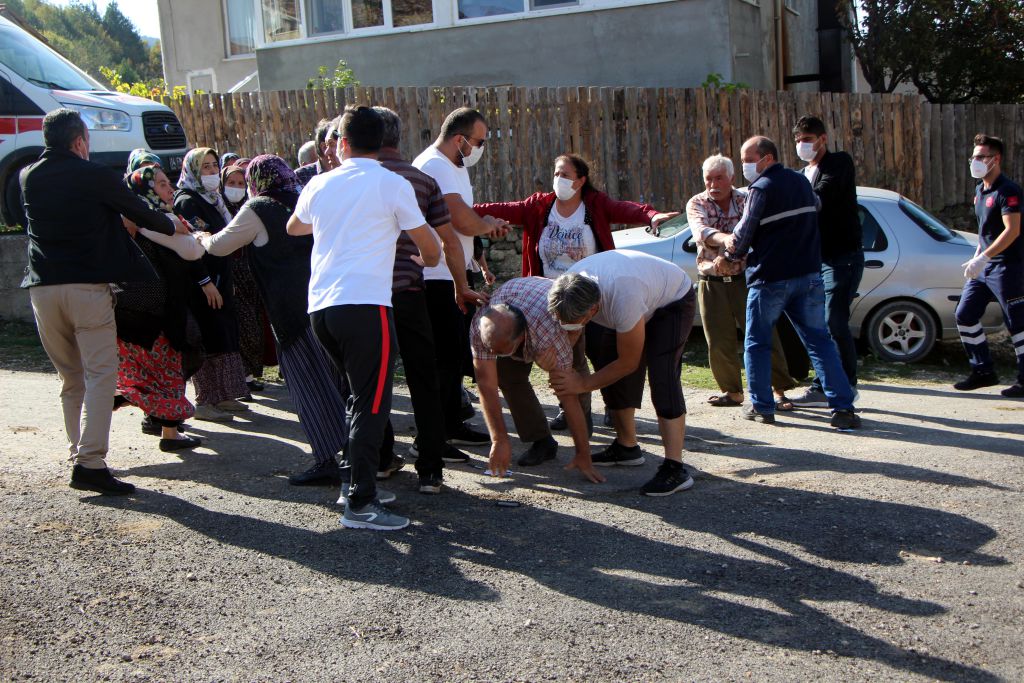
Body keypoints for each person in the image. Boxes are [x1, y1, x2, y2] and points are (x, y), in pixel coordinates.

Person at [287, 105, 441, 531]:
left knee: (358, 399)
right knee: (371, 404)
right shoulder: (392, 185)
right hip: (367, 306)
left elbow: (293, 228)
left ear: (342, 142)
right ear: (386, 143)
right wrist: (416, 252)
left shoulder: (319, 183)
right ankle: (360, 502)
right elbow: (431, 249)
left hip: (322, 308)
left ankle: (355, 482)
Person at [20, 108, 178, 495]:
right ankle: (90, 463)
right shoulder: (93, 175)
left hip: (42, 288)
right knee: (100, 375)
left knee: (70, 377)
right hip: (87, 289)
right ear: (79, 142)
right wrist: (174, 224)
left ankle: (80, 454)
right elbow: (142, 213)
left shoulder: (28, 177)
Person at [475, 153, 679, 429]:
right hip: (552, 298)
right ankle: (571, 411)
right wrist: (462, 211)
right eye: (556, 174)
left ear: (581, 180)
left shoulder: (594, 205)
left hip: (592, 295)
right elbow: (501, 208)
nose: (559, 180)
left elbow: (626, 209)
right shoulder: (539, 206)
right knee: (567, 358)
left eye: (566, 175)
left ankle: (615, 407)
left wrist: (652, 215)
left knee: (602, 354)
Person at [198, 155, 356, 485]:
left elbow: (220, 246)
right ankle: (357, 455)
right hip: (325, 301)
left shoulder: (259, 208)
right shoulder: (303, 200)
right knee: (338, 381)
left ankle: (327, 459)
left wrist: (200, 237)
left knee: (309, 387)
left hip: (290, 311)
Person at [372, 106, 486, 493]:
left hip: (364, 295)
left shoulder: (342, 181)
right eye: (479, 141)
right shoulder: (421, 177)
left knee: (372, 380)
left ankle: (382, 457)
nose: (479, 148)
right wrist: (457, 281)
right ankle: (430, 467)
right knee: (424, 375)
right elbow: (448, 239)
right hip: (410, 289)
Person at [722, 136, 860, 429]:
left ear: (767, 158)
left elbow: (744, 235)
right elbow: (816, 210)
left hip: (770, 278)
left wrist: (728, 254)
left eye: (748, 159)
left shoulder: (760, 188)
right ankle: (843, 408)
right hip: (808, 275)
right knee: (820, 342)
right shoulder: (801, 182)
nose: (745, 165)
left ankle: (762, 406)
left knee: (757, 343)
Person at [547, 250, 698, 496]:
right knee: (607, 363)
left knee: (663, 376)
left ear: (595, 309)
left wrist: (583, 384)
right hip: (633, 290)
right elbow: (571, 329)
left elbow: (629, 362)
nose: (573, 327)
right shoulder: (566, 288)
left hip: (672, 301)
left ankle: (675, 467)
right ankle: (627, 447)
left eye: (579, 321)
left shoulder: (623, 296)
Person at [413, 107, 510, 449]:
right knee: (443, 357)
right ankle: (434, 437)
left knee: (453, 356)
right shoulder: (434, 165)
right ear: (459, 139)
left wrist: (485, 223)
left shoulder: (452, 165)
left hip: (452, 272)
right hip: (436, 275)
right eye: (479, 142)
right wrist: (487, 224)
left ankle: (450, 424)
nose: (481, 148)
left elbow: (466, 218)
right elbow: (460, 220)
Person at [687, 154, 798, 410]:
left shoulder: (747, 198)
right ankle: (732, 391)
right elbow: (701, 232)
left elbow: (757, 233)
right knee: (718, 339)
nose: (713, 184)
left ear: (731, 178)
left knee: (762, 332)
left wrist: (730, 252)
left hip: (747, 279)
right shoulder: (697, 202)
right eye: (708, 179)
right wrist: (729, 241)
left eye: (719, 178)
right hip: (711, 280)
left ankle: (779, 390)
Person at [471, 278, 603, 483]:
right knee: (507, 377)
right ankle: (542, 441)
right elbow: (486, 384)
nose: (492, 354)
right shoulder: (481, 325)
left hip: (566, 314)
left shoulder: (550, 333)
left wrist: (583, 454)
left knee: (572, 378)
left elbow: (566, 392)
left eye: (498, 351)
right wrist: (499, 439)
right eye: (490, 349)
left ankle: (583, 424)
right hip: (522, 303)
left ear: (521, 339)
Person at [117, 166, 205, 452]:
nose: (169, 189)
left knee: (163, 370)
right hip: (150, 315)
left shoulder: (150, 220)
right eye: (161, 184)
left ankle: (167, 428)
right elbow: (193, 249)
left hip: (150, 312)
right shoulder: (147, 222)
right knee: (163, 369)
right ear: (145, 191)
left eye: (169, 182)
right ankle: (165, 429)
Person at [790, 115, 864, 407]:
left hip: (841, 257)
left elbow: (822, 196)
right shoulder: (800, 174)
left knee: (834, 321)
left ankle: (846, 384)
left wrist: (790, 198)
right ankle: (824, 384)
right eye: (798, 140)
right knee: (816, 324)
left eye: (807, 139)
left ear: (822, 139)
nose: (802, 145)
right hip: (814, 260)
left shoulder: (838, 163)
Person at [174, 147, 249, 422]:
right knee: (208, 335)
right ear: (193, 170)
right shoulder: (187, 201)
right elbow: (194, 244)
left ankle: (224, 395)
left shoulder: (214, 199)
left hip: (221, 277)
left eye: (213, 166)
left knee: (224, 333)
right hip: (203, 282)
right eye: (204, 167)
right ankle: (205, 399)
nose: (211, 172)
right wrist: (205, 281)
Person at [953, 134, 1024, 397]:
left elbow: (1012, 231)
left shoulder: (1008, 191)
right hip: (984, 266)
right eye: (974, 156)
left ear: (996, 159)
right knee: (965, 314)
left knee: (1017, 323)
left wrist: (985, 257)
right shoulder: (980, 191)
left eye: (982, 157)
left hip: (1008, 266)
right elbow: (985, 232)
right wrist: (977, 257)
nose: (976, 161)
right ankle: (982, 370)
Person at [221, 162, 267, 394]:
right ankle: (242, 376)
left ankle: (248, 375)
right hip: (231, 275)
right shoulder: (220, 208)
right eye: (231, 183)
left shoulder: (249, 208)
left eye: (241, 183)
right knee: (244, 326)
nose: (236, 188)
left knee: (254, 326)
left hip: (251, 273)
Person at [295, 119, 337, 186]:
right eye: (339, 143)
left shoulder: (348, 171)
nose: (344, 147)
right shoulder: (301, 177)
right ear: (324, 147)